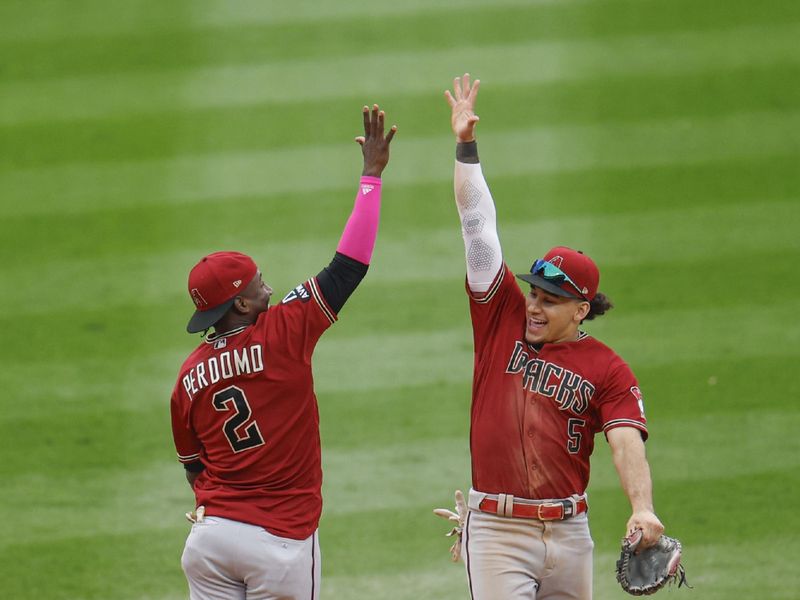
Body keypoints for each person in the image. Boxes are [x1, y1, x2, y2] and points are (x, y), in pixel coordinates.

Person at [437, 74, 664, 599]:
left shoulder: (608, 368)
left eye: (550, 300)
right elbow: (477, 225)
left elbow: (626, 441)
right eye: (534, 294)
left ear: (581, 309)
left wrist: (642, 505)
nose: (534, 306)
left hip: (569, 532)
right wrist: (465, 146)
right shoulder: (500, 317)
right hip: (496, 531)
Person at [170, 105, 396, 600]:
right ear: (242, 304)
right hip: (280, 541)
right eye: (259, 284)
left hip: (209, 542)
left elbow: (194, 466)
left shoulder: (187, 378)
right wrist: (371, 176)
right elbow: (348, 267)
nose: (271, 288)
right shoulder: (283, 332)